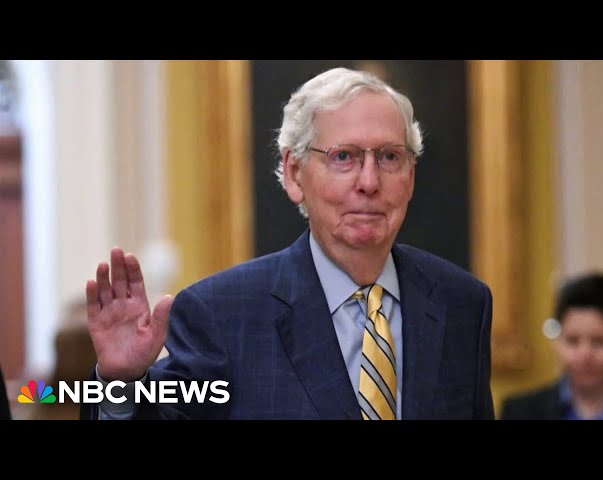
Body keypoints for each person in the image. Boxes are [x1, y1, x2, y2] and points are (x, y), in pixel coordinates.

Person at [81, 67, 494, 420]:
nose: (369, 183)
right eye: (344, 157)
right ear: (295, 174)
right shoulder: (222, 315)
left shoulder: (461, 304)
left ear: (411, 175)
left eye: (389, 158)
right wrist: (120, 384)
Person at [501, 272, 603, 420]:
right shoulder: (521, 412)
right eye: (572, 341)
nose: (585, 354)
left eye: (600, 342)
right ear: (557, 342)